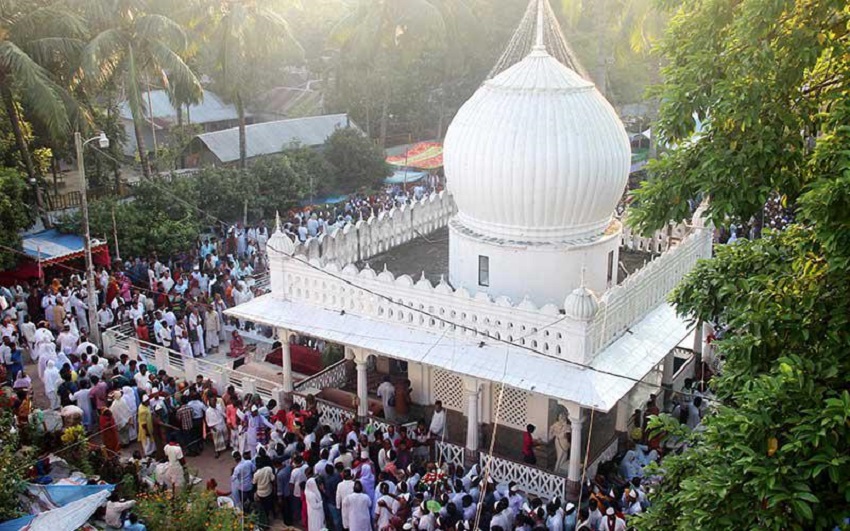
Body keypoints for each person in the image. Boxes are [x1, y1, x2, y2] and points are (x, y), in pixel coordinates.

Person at [205, 393, 227, 458]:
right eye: (212, 403)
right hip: (215, 426)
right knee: (217, 440)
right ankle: (217, 451)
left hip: (222, 423)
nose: (214, 404)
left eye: (214, 402)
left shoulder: (219, 406)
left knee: (225, 436)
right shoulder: (208, 411)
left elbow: (223, 413)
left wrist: (226, 419)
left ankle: (226, 446)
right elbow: (208, 420)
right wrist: (212, 427)